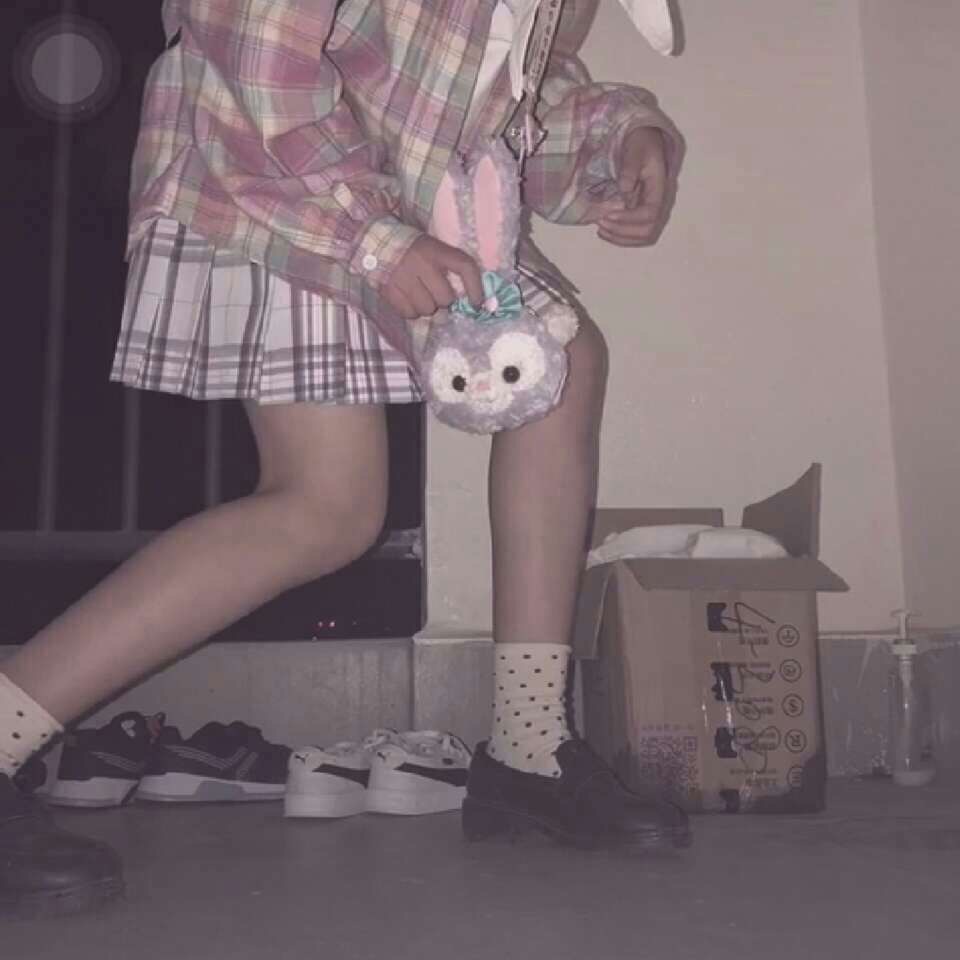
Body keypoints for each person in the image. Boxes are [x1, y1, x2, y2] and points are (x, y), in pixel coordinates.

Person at [0, 0, 689, 918]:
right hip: (280, 178)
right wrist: (372, 234)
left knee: (561, 369)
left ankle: (529, 752)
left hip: (400, 195)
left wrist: (624, 140)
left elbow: (508, 105)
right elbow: (251, 48)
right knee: (322, 508)